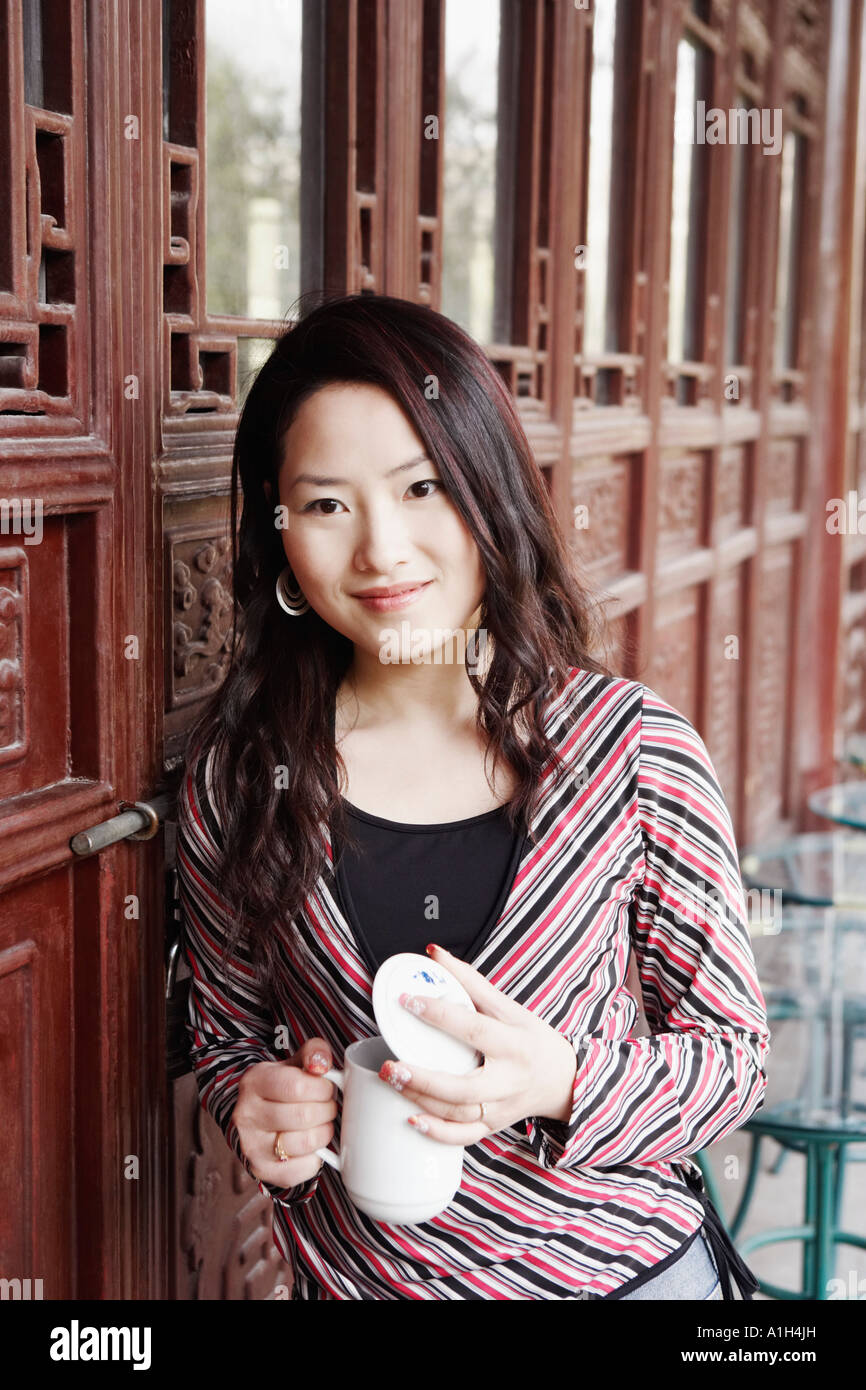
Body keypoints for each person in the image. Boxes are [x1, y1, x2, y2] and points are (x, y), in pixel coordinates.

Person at [175, 291, 771, 1300]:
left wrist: (563, 1080)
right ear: (279, 534)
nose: (379, 550)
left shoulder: (629, 749)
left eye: (419, 489)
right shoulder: (238, 778)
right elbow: (226, 1036)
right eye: (326, 504)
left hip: (626, 1278)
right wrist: (255, 1101)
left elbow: (730, 1057)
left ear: (485, 492)